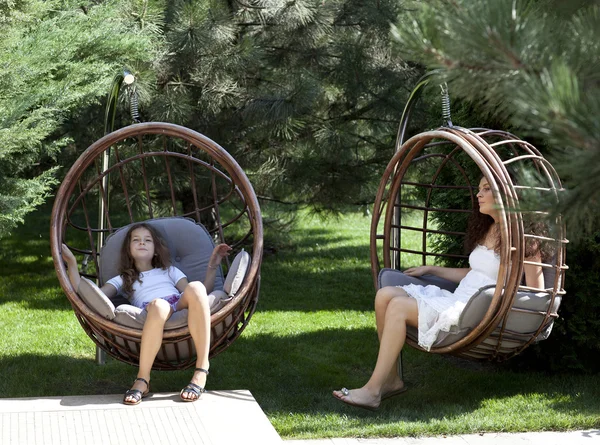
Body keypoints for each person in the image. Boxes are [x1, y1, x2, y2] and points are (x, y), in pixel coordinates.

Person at [333, 176, 545, 411]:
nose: (478, 194)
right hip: (458, 299)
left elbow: (536, 292)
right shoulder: (491, 228)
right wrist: (432, 269)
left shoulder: (526, 240)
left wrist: (502, 293)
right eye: (479, 188)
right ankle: (391, 380)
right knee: (385, 295)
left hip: (474, 312)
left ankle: (372, 391)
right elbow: (477, 273)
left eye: (486, 189)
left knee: (398, 307)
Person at [61, 222, 231, 405]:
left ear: (156, 250)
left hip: (177, 302)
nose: (142, 243)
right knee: (159, 305)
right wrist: (71, 263)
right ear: (128, 249)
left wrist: (212, 266)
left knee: (196, 286)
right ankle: (143, 379)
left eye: (147, 240)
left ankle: (201, 368)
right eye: (136, 240)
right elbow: (91, 295)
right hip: (152, 309)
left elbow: (200, 294)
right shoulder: (123, 279)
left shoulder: (169, 271)